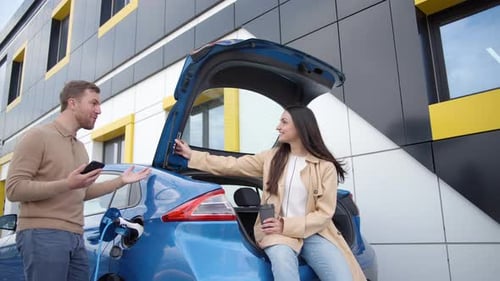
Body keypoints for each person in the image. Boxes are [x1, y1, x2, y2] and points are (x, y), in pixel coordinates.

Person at [174, 105, 366, 281]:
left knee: (343, 277)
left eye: (284, 122)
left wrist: (286, 224)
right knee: (283, 266)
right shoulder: (271, 158)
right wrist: (193, 155)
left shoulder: (325, 167)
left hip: (312, 232)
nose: (278, 127)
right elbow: (233, 165)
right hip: (275, 231)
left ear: (301, 127)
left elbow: (324, 215)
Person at [6, 80, 151, 281]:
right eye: (93, 103)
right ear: (72, 103)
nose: (99, 110)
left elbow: (81, 192)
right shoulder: (38, 136)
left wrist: (121, 181)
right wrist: (67, 183)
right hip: (43, 234)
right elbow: (14, 189)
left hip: (75, 236)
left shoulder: (81, 148)